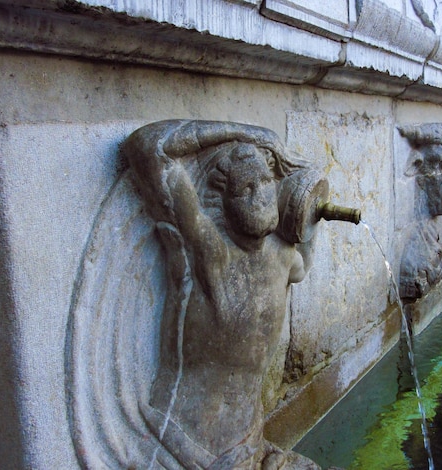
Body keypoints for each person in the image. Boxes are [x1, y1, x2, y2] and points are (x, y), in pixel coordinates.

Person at [123, 120, 320, 469]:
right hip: (192, 444)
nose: (260, 196)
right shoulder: (209, 253)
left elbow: (302, 263)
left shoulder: (282, 257)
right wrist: (250, 134)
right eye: (246, 189)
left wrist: (309, 214)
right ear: (225, 201)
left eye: (265, 184)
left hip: (249, 438)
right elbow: (148, 147)